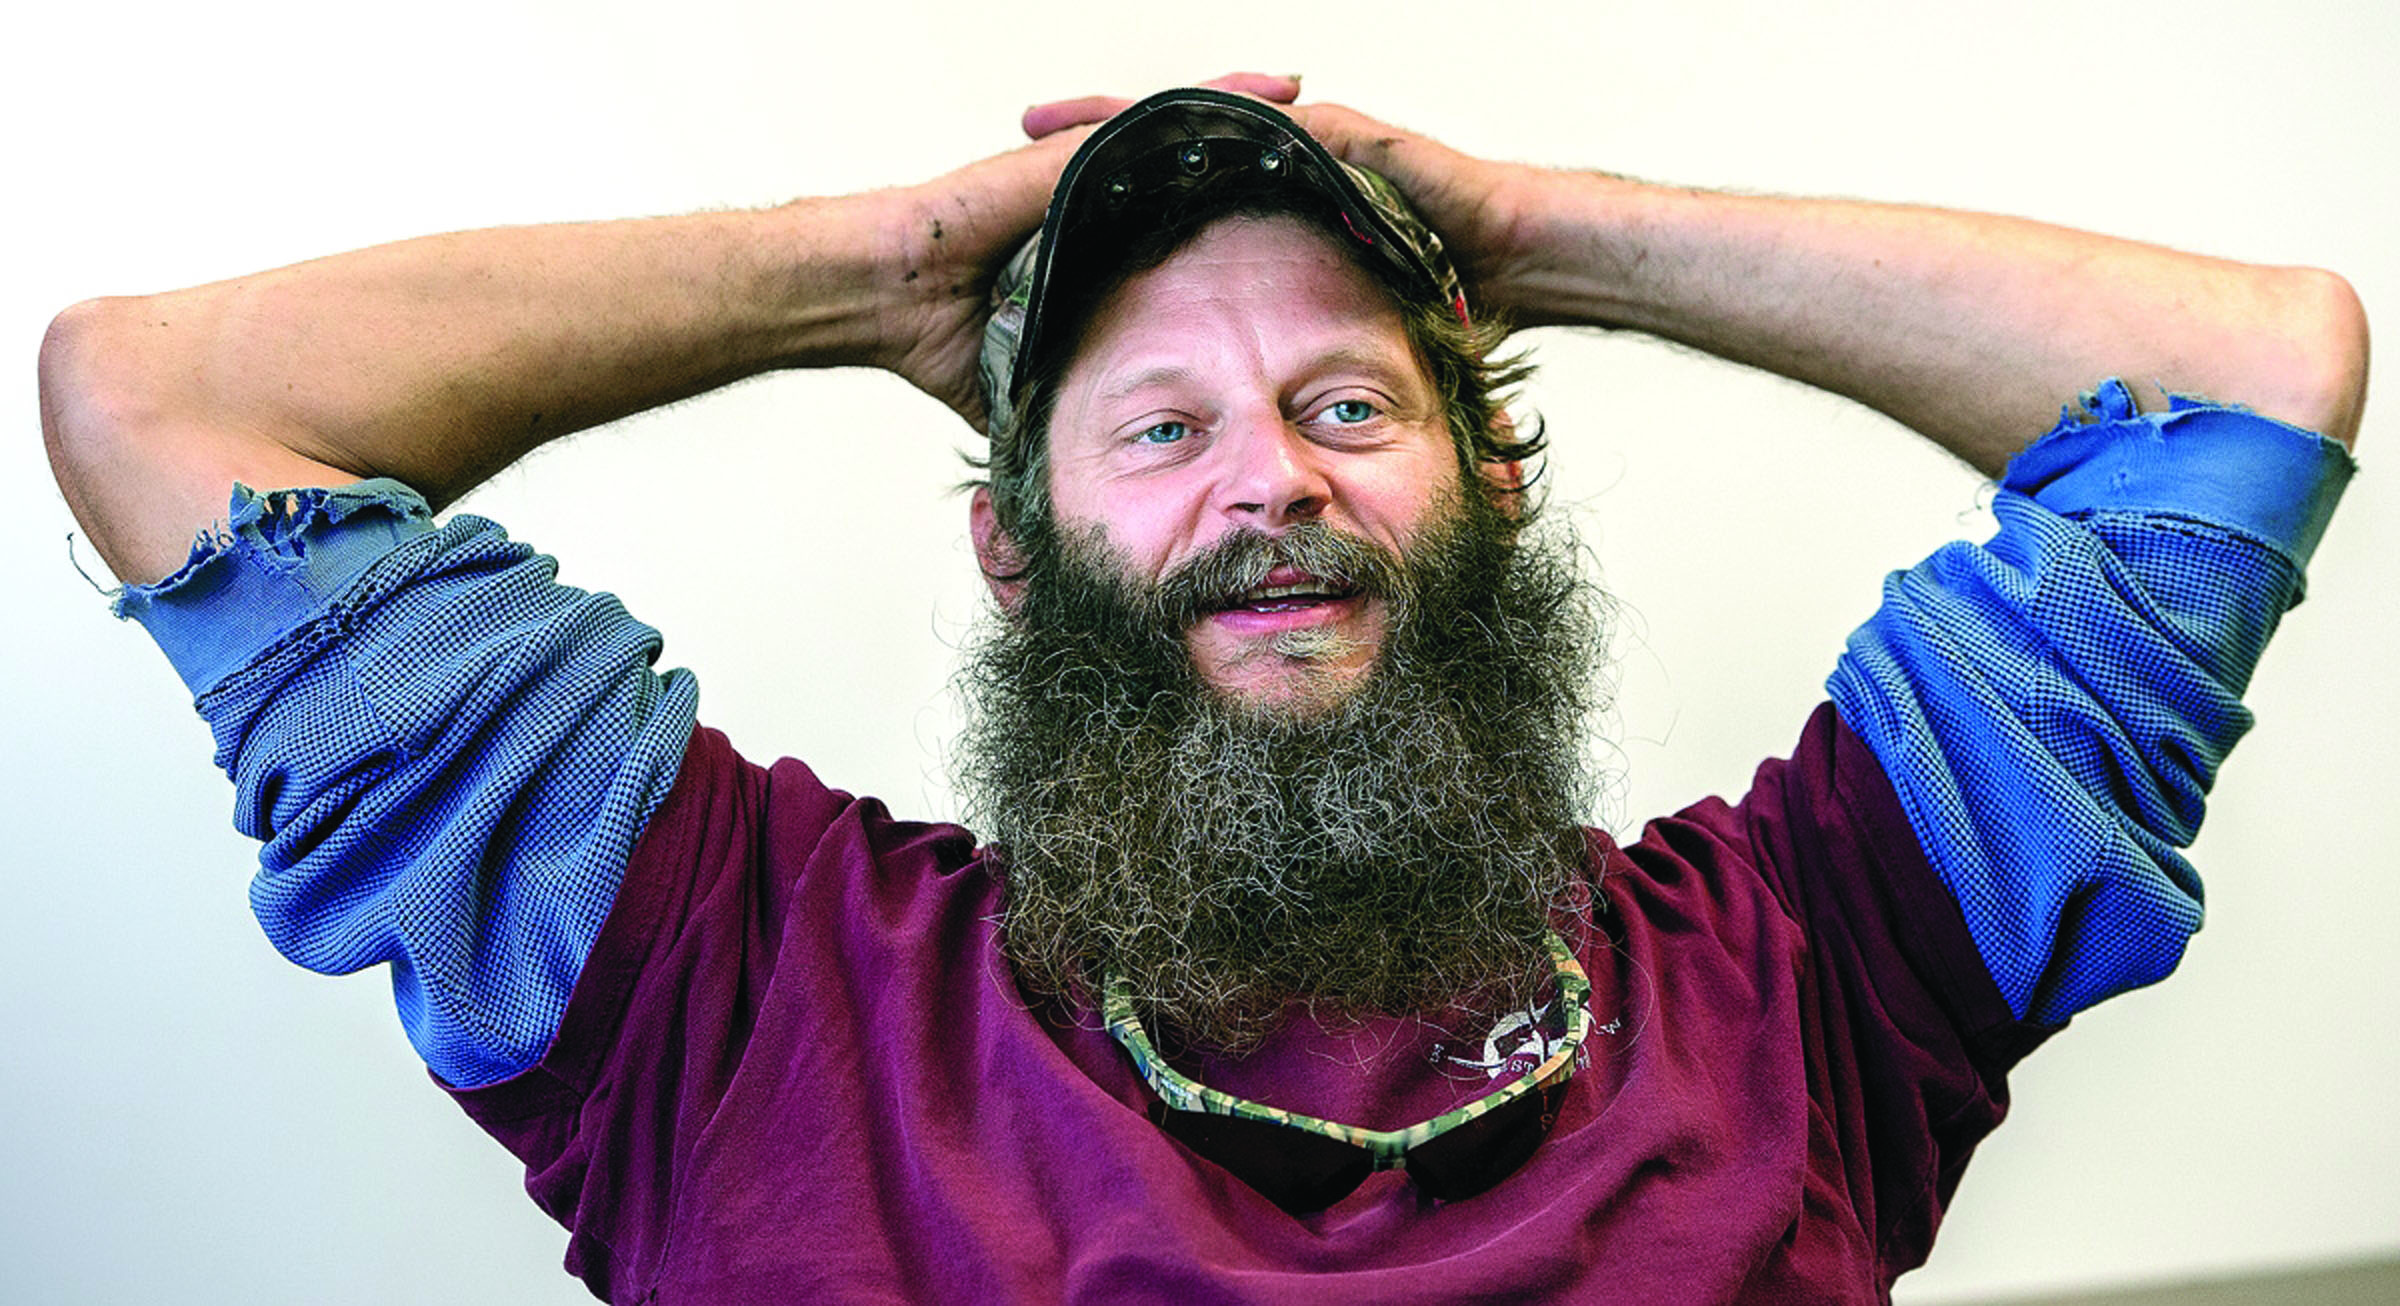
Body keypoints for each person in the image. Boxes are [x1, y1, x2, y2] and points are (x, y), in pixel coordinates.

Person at [37, 73, 2365, 1303]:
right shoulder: (722, 987)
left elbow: (2250, 369)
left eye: (1357, 406)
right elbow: (159, 403)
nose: (1273, 483)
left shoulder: (1819, 962)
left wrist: (1537, 236)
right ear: (1015, 554)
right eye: (1157, 430)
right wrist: (863, 275)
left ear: (1493, 494)